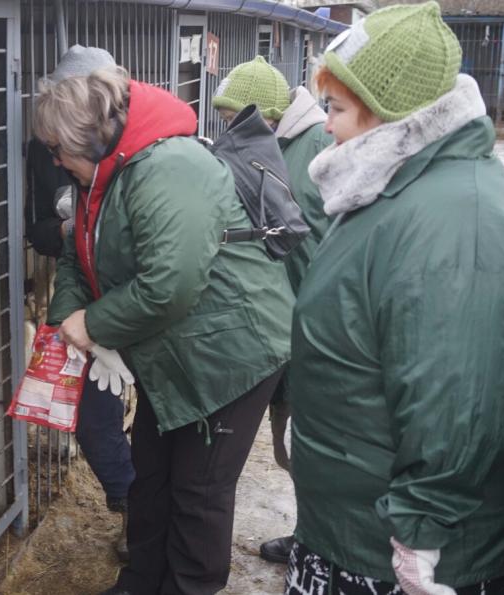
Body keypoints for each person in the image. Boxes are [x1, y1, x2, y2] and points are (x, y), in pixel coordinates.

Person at [287, 3, 504, 593]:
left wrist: (420, 532)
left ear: (393, 117)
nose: (326, 126)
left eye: (338, 109)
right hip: (359, 522)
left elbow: (458, 398)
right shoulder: (398, 184)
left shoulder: (454, 224)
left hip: (406, 551)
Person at [34, 55, 295, 594]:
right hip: (175, 351)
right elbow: (76, 256)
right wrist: (67, 323)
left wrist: (96, 325)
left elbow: (170, 283)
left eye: (57, 150)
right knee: (151, 477)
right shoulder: (102, 175)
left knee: (198, 492)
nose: (56, 162)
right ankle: (140, 581)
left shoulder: (169, 166)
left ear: (88, 138)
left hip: (230, 354)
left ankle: (188, 587)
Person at [211, 55, 333, 565]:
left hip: (316, 320)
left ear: (261, 114)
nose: (225, 127)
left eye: (232, 116)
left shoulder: (320, 147)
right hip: (275, 317)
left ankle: (324, 544)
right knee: (289, 442)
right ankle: (311, 534)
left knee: (321, 442)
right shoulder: (261, 150)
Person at [26, 44, 136, 562]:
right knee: (94, 421)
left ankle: (146, 526)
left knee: (157, 426)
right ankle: (131, 504)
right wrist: (73, 229)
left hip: (135, 306)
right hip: (85, 303)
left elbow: (168, 276)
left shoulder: (144, 155)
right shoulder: (45, 150)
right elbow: (40, 230)